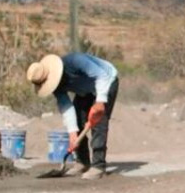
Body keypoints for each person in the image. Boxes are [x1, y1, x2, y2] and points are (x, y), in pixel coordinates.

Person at [26, 52, 119, 180]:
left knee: (98, 122)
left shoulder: (75, 61)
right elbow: (66, 107)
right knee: (78, 121)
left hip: (107, 81)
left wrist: (100, 102)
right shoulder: (56, 86)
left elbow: (101, 75)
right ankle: (82, 162)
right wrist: (72, 134)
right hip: (86, 90)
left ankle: (98, 166)